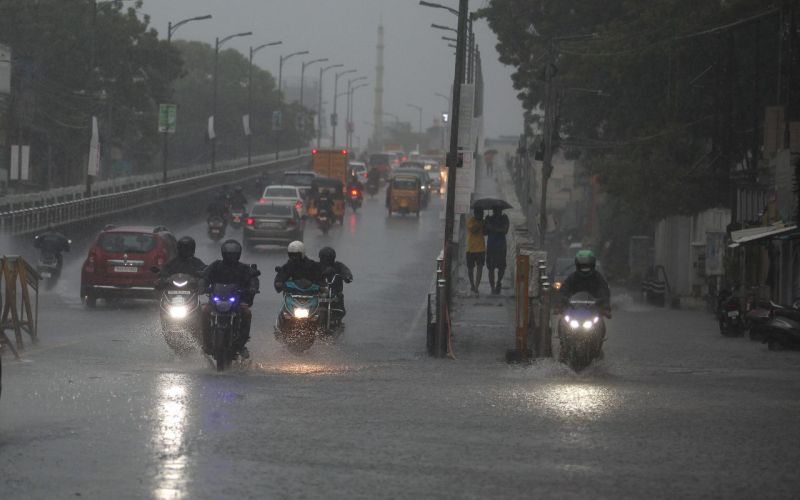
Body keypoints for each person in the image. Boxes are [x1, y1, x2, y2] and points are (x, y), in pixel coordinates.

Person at [200, 240, 260, 359]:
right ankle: (207, 343)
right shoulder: (216, 265)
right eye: (229, 254)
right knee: (204, 312)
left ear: (238, 254)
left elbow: (253, 278)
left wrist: (252, 287)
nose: (231, 256)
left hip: (237, 300)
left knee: (247, 313)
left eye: (234, 254)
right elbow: (205, 276)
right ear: (223, 254)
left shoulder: (243, 268)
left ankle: (241, 344)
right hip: (216, 299)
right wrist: (202, 286)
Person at [318, 246, 353, 319]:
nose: (326, 260)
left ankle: (337, 317)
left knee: (339, 303)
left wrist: (348, 276)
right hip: (320, 292)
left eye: (328, 258)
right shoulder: (317, 266)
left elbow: (345, 271)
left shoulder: (338, 265)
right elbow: (308, 272)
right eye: (324, 258)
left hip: (335, 292)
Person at [485, 207, 510, 295]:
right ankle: (492, 286)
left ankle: (499, 281)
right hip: (491, 246)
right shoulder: (490, 219)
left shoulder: (504, 218)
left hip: (501, 247)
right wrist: (486, 222)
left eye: (498, 210)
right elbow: (485, 232)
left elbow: (505, 230)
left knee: (501, 267)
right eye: (495, 210)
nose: (497, 211)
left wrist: (492, 227)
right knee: (491, 268)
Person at [466, 207, 486, 294]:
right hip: (471, 248)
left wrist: (486, 224)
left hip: (481, 248)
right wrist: (480, 224)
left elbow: (485, 232)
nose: (481, 215)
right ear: (476, 214)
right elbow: (473, 230)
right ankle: (472, 284)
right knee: (470, 269)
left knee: (480, 267)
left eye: (482, 213)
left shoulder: (483, 221)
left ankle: (477, 286)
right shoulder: (471, 221)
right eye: (480, 213)